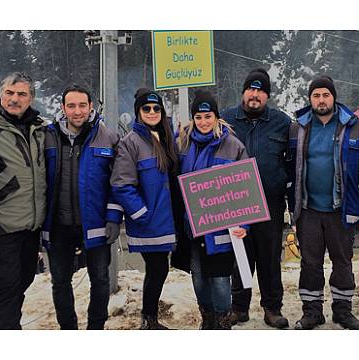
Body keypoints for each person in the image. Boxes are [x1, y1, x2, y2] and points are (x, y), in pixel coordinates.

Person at [290, 76, 359, 330]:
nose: (321, 100)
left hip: (341, 208)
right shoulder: (299, 127)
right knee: (310, 263)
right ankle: (312, 311)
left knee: (343, 261)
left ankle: (343, 310)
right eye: (316, 95)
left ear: (334, 97)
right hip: (308, 209)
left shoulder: (354, 126)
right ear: (310, 99)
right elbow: (288, 165)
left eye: (326, 95)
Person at [0, 72, 48, 329]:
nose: (15, 99)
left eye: (22, 94)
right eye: (10, 93)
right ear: (1, 93)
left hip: (30, 225)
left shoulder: (39, 127)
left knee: (23, 282)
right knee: (5, 290)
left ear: (31, 98)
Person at [41, 85, 121, 330]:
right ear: (63, 108)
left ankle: (95, 328)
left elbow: (118, 181)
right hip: (59, 225)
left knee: (100, 279)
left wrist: (113, 217)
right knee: (60, 282)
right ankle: (69, 329)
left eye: (82, 105)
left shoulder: (107, 137)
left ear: (91, 107)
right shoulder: (48, 136)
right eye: (72, 105)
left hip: (96, 223)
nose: (77, 111)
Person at [221, 68, 293, 328]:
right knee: (240, 256)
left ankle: (272, 307)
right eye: (251, 89)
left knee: (269, 257)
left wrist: (287, 194)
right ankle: (239, 307)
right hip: (236, 201)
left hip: (269, 202)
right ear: (243, 93)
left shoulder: (282, 123)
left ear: (267, 96)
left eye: (261, 90)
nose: (255, 94)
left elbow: (291, 161)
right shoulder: (226, 120)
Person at [174, 90, 248, 330]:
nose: (203, 122)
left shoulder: (233, 145)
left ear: (216, 117)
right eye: (198, 117)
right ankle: (206, 318)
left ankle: (222, 319)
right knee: (198, 276)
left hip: (221, 227)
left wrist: (243, 225)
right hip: (191, 226)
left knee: (219, 279)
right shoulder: (182, 142)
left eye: (208, 116)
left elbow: (246, 188)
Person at [112, 88, 183, 330]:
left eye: (156, 108)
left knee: (159, 269)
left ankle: (150, 318)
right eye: (146, 108)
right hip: (150, 221)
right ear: (138, 113)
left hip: (167, 218)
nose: (152, 112)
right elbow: (121, 185)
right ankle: (149, 320)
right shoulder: (130, 142)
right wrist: (142, 213)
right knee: (157, 269)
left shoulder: (166, 137)